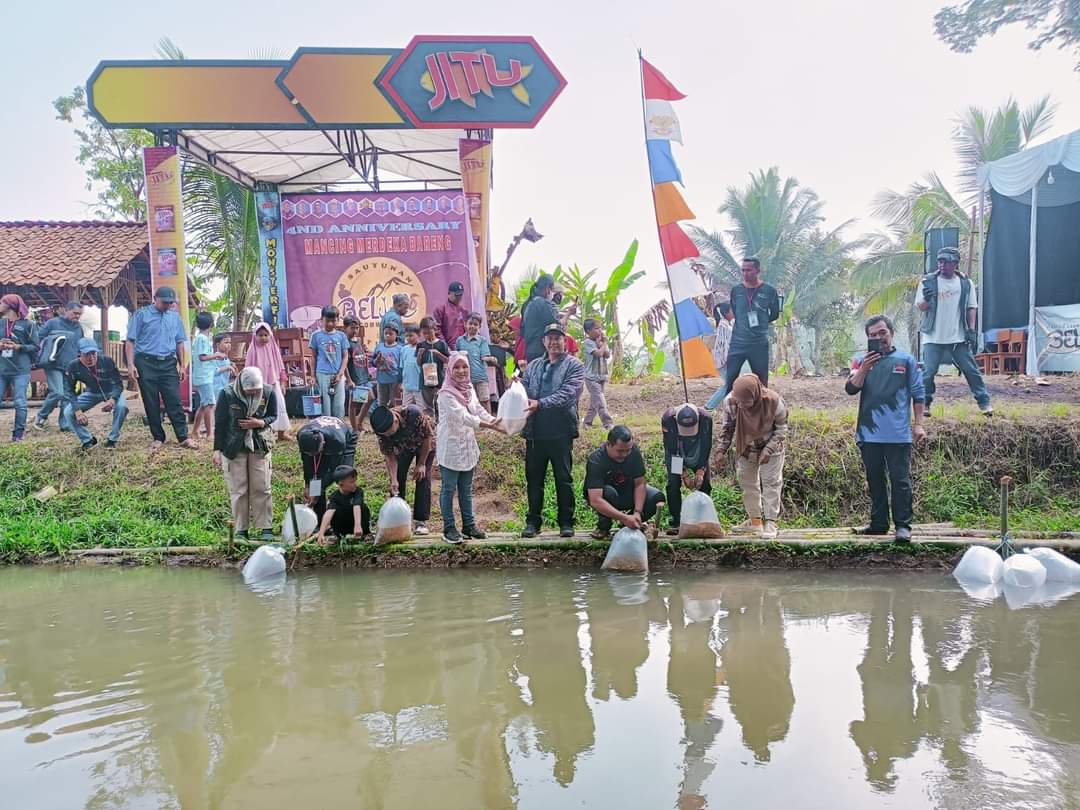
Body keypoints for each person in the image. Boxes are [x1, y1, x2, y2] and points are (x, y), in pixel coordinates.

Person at [845, 315, 927, 542]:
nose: (879, 338)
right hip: (868, 433)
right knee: (875, 479)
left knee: (900, 480)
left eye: (882, 333)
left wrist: (919, 425)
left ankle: (903, 526)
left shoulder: (906, 360)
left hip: (898, 434)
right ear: (867, 338)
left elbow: (918, 394)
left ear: (891, 332)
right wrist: (864, 369)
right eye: (873, 335)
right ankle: (879, 523)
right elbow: (851, 389)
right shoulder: (860, 361)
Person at [520, 322, 585, 538]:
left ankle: (566, 522)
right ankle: (533, 522)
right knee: (533, 479)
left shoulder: (574, 366)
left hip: (560, 432)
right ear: (543, 341)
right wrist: (516, 384)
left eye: (558, 338)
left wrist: (540, 403)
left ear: (565, 341)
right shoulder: (534, 366)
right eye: (550, 338)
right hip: (535, 432)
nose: (554, 341)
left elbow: (568, 395)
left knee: (563, 478)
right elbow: (525, 390)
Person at [916, 246, 992, 416]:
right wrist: (927, 299)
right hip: (932, 336)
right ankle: (926, 405)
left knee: (971, 370)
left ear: (956, 264)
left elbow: (971, 308)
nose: (942, 265)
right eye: (940, 261)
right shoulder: (927, 282)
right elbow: (921, 307)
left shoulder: (966, 283)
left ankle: (984, 403)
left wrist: (971, 331)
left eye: (947, 262)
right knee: (928, 373)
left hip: (958, 337)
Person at [436, 352, 503, 542]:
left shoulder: (469, 389)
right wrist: (489, 426)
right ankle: (449, 528)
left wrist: (494, 420)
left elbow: (477, 409)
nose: (461, 371)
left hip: (467, 446)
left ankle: (469, 526)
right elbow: (463, 417)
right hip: (450, 446)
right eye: (456, 367)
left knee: (466, 488)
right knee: (448, 489)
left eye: (464, 367)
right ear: (449, 370)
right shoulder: (445, 394)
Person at [715, 375, 789, 539]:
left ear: (755, 396)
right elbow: (728, 428)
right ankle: (755, 522)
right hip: (746, 447)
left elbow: (782, 429)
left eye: (745, 402)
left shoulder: (774, 402)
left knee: (771, 483)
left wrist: (768, 450)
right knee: (747, 483)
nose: (741, 405)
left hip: (772, 446)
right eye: (739, 402)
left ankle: (771, 522)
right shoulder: (731, 401)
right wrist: (721, 450)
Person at [124, 286, 195, 451]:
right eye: (165, 302)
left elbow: (179, 342)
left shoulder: (175, 318)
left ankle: (183, 437)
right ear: (155, 298)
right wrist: (130, 364)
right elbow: (130, 341)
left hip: (168, 363)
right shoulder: (141, 315)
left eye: (171, 303)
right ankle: (158, 437)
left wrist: (182, 365)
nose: (168, 305)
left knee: (174, 400)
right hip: (145, 362)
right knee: (151, 401)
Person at [212, 366, 277, 542]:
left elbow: (273, 415)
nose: (253, 394)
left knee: (262, 486)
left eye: (257, 391)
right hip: (233, 446)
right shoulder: (227, 394)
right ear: (241, 384)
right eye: (250, 391)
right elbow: (220, 423)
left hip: (259, 444)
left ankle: (265, 528)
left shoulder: (269, 392)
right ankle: (241, 529)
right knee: (239, 489)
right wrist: (217, 450)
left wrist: (260, 422)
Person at [584, 425, 665, 539]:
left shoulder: (634, 453)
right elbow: (595, 500)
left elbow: (640, 483)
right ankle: (603, 527)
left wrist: (637, 512)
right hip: (606, 496)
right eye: (620, 451)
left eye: (628, 450)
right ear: (608, 444)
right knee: (609, 493)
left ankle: (630, 524)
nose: (625, 454)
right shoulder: (596, 460)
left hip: (627, 492)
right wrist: (623, 517)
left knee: (657, 496)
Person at [369, 402, 436, 536]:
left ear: (395, 420)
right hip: (403, 447)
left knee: (422, 477)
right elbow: (389, 454)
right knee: (398, 478)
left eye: (389, 432)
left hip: (424, 444)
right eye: (384, 434)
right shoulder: (381, 429)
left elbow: (428, 437)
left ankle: (420, 521)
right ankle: (398, 519)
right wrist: (393, 479)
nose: (387, 436)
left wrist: (421, 463)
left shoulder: (413, 414)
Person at [723, 258, 781, 397]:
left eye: (749, 270)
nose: (745, 273)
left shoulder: (769, 291)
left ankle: (763, 413)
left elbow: (774, 314)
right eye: (743, 270)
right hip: (738, 343)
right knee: (730, 380)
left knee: (762, 383)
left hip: (758, 343)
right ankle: (731, 412)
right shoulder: (736, 291)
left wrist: (760, 325)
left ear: (758, 271)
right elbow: (735, 312)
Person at [63, 337, 128, 452]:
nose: (91, 358)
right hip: (91, 392)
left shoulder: (107, 361)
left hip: (111, 391)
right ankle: (87, 440)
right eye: (86, 354)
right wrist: (78, 411)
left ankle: (112, 439)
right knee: (68, 412)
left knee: (122, 407)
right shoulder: (73, 366)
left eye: (93, 353)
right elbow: (69, 390)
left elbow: (118, 384)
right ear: (79, 354)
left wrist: (113, 399)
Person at [661, 403, 714, 536]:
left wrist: (701, 471)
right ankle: (677, 521)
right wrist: (683, 475)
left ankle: (703, 520)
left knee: (705, 484)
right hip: (676, 450)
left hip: (698, 448)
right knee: (673, 484)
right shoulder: (668, 419)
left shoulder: (706, 418)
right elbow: (672, 449)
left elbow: (707, 445)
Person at [34, 300, 83, 433]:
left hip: (70, 366)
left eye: (80, 314)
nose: (77, 316)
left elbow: (80, 346)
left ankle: (65, 424)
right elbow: (38, 339)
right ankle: (41, 417)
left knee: (67, 395)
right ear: (66, 310)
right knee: (57, 393)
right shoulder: (52, 323)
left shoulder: (79, 327)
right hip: (53, 363)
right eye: (75, 313)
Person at [297, 415, 357, 519]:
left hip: (346, 440)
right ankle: (319, 521)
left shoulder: (337, 441)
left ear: (322, 443)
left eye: (315, 453)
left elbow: (332, 470)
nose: (312, 456)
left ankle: (347, 517)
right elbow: (307, 463)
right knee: (316, 482)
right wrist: (308, 485)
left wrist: (317, 489)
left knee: (344, 476)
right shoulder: (302, 435)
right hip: (325, 439)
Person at [0, 294, 39, 442]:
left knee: (20, 402)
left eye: (2, 302)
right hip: (2, 369)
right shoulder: (0, 323)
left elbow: (35, 347)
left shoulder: (28, 325)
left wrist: (18, 347)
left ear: (10, 305)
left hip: (21, 370)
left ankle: (18, 435)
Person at [245, 322, 292, 442]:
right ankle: (268, 433)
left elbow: (280, 363)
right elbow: (248, 369)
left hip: (273, 381)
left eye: (266, 335)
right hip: (259, 385)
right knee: (262, 409)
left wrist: (282, 381)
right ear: (255, 336)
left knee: (280, 404)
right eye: (260, 335)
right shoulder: (252, 349)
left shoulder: (272, 346)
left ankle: (282, 432)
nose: (263, 338)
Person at [308, 305, 350, 419]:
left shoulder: (341, 336)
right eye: (328, 321)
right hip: (322, 373)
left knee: (339, 404)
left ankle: (338, 428)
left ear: (338, 320)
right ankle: (326, 429)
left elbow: (345, 356)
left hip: (338, 375)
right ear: (321, 320)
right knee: (325, 405)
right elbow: (313, 357)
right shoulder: (316, 336)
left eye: (334, 321)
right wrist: (312, 375)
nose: (330, 324)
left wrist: (340, 374)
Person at [313, 465, 372, 544]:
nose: (355, 484)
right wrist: (321, 533)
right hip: (343, 524)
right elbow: (329, 512)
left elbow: (356, 506)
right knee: (334, 512)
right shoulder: (334, 496)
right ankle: (339, 536)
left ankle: (366, 534)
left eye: (355, 481)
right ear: (341, 484)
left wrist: (358, 526)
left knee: (363, 508)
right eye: (351, 482)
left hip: (357, 524)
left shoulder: (358, 492)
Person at [455, 312, 496, 414]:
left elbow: (485, 356)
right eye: (470, 323)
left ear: (479, 327)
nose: (472, 326)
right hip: (465, 378)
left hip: (481, 376)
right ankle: (473, 423)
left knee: (485, 400)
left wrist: (489, 359)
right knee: (468, 401)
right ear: (465, 324)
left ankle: (489, 424)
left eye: (475, 324)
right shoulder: (460, 340)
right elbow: (456, 357)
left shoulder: (482, 340)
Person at [343, 316, 375, 431]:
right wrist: (349, 379)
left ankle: (359, 420)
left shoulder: (359, 341)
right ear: (345, 328)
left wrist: (367, 372)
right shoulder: (345, 343)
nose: (355, 330)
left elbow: (362, 357)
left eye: (357, 328)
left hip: (364, 376)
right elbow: (345, 363)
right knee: (354, 404)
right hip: (354, 378)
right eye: (352, 328)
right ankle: (354, 428)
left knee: (371, 398)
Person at [581, 318, 614, 429]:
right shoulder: (587, 343)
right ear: (588, 331)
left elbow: (607, 355)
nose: (600, 330)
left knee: (595, 402)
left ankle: (587, 423)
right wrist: (604, 343)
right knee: (600, 401)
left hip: (602, 376)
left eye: (600, 328)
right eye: (596, 328)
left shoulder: (600, 342)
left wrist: (602, 343)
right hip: (591, 377)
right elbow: (599, 354)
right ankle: (608, 423)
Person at [190, 311, 218, 440]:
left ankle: (195, 431)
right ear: (211, 324)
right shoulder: (201, 339)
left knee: (204, 404)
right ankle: (210, 433)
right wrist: (217, 355)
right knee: (210, 404)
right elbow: (203, 357)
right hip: (204, 376)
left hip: (205, 375)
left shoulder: (202, 338)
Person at [520, 274, 559, 362]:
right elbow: (556, 327)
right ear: (548, 289)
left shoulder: (528, 303)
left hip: (530, 350)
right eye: (553, 290)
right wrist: (569, 313)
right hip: (542, 350)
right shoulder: (543, 303)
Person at [416, 316, 450, 417]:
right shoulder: (420, 345)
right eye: (424, 333)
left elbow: (448, 361)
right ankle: (431, 426)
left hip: (439, 378)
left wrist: (439, 354)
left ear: (435, 329)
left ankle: (441, 423)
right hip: (425, 380)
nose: (427, 335)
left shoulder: (441, 344)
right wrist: (419, 355)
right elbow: (418, 363)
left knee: (440, 403)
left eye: (429, 332)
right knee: (428, 406)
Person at [705, 302, 734, 410]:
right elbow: (724, 345)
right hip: (724, 361)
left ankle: (730, 408)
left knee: (731, 385)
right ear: (726, 313)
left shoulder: (725, 324)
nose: (734, 312)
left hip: (724, 360)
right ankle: (709, 406)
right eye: (732, 310)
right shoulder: (723, 326)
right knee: (728, 385)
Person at [371, 323, 403, 407]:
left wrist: (400, 382)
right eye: (386, 333)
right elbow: (373, 363)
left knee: (393, 403)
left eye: (391, 334)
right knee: (381, 402)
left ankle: (393, 419)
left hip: (394, 381)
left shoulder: (400, 349)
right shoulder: (379, 347)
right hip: (381, 380)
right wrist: (377, 360)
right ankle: (382, 419)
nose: (388, 335)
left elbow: (401, 366)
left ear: (396, 334)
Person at [433, 280, 468, 348]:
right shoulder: (440, 309)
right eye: (456, 295)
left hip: (463, 349)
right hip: (446, 348)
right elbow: (436, 330)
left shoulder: (464, 311)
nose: (459, 297)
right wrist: (445, 347)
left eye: (461, 295)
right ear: (449, 293)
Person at [399, 324, 423, 408]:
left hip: (420, 387)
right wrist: (401, 383)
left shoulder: (422, 348)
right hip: (407, 387)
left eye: (411, 335)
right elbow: (402, 367)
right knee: (405, 410)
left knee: (422, 410)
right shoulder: (404, 349)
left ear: (419, 335)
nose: (409, 338)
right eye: (407, 336)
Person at [211, 334, 234, 400]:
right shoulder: (214, 357)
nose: (229, 345)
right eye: (226, 342)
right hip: (215, 389)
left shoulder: (227, 359)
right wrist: (227, 367)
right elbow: (214, 372)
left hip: (224, 388)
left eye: (230, 342)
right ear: (218, 344)